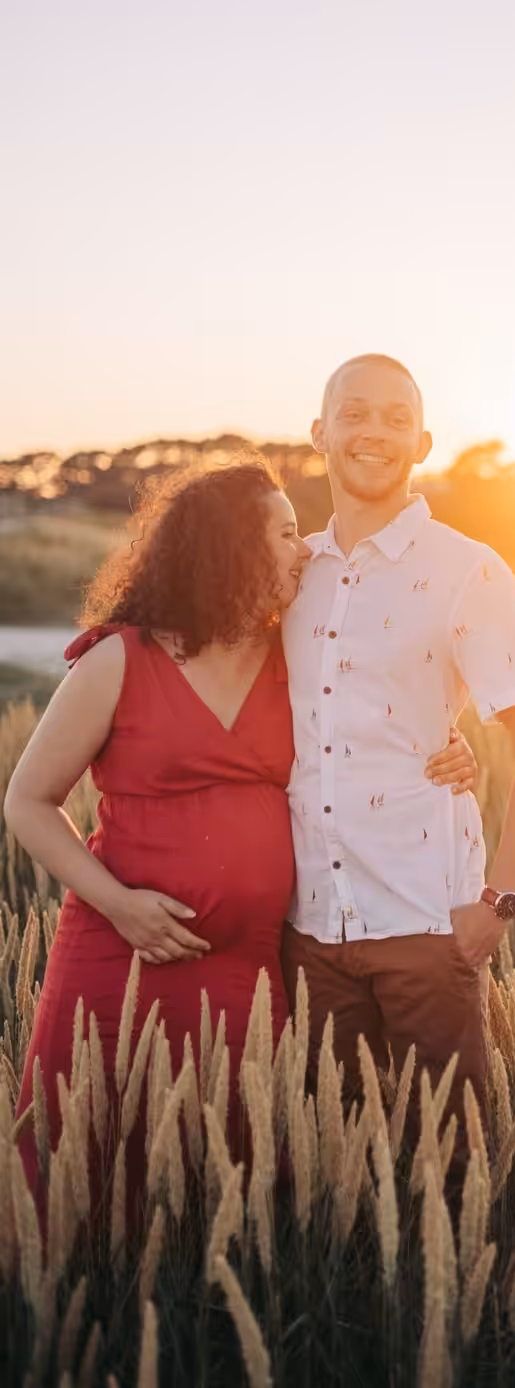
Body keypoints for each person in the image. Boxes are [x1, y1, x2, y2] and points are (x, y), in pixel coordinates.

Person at [4, 457, 476, 1186]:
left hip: (248, 975)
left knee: (226, 1179)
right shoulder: (119, 659)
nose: (306, 547)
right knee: (80, 1167)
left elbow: (381, 737)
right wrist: (120, 907)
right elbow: (27, 802)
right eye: (286, 533)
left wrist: (449, 751)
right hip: (121, 958)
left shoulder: (295, 661)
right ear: (230, 548)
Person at [280, 355, 515, 1140]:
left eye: (396, 419)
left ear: (423, 442)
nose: (374, 432)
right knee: (334, 1173)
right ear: (320, 433)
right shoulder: (288, 571)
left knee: (452, 1175)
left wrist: (498, 904)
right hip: (308, 932)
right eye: (354, 414)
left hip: (423, 922)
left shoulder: (466, 570)